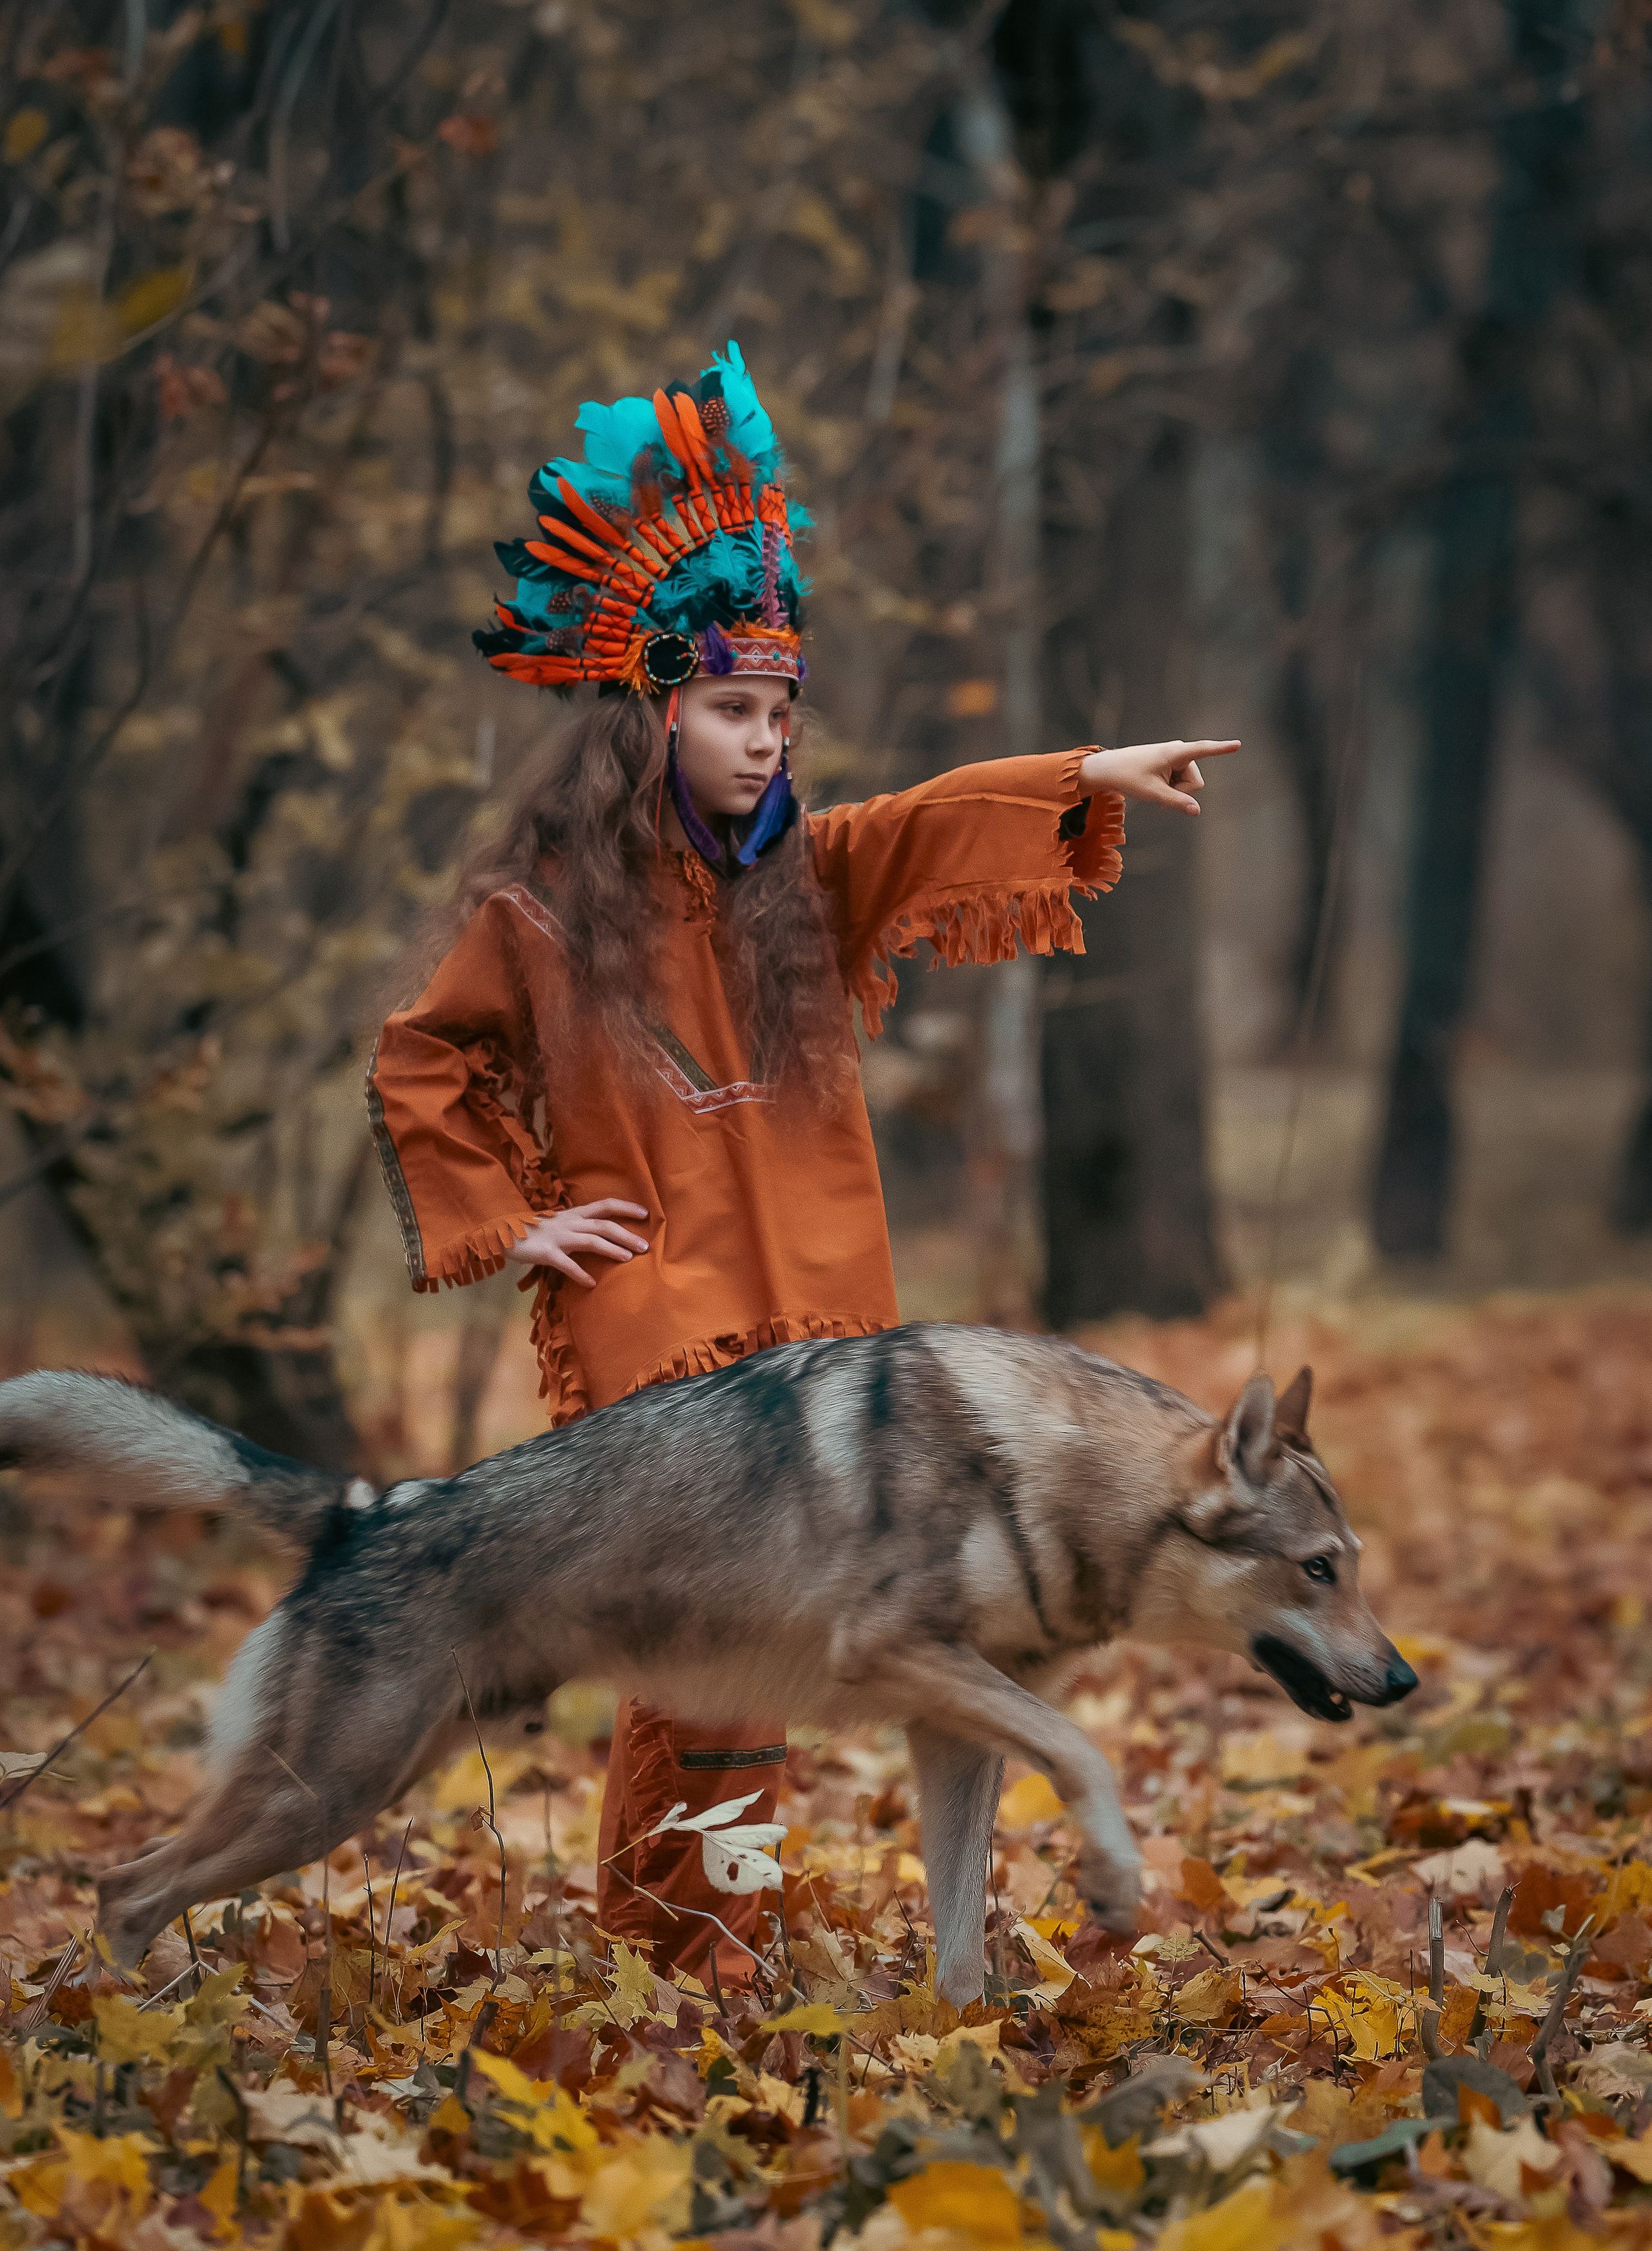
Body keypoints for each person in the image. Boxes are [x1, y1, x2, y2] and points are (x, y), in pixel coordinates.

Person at [367, 341, 1237, 1985]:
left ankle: (715, 1937)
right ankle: (685, 1949)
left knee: (765, 1662)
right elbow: (422, 1053)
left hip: (819, 1344)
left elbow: (922, 820)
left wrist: (1081, 777)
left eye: (780, 713)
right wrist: (516, 1220)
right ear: (652, 712)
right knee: (697, 1661)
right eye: (730, 710)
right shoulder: (539, 912)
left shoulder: (799, 886)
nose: (765, 742)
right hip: (653, 1339)